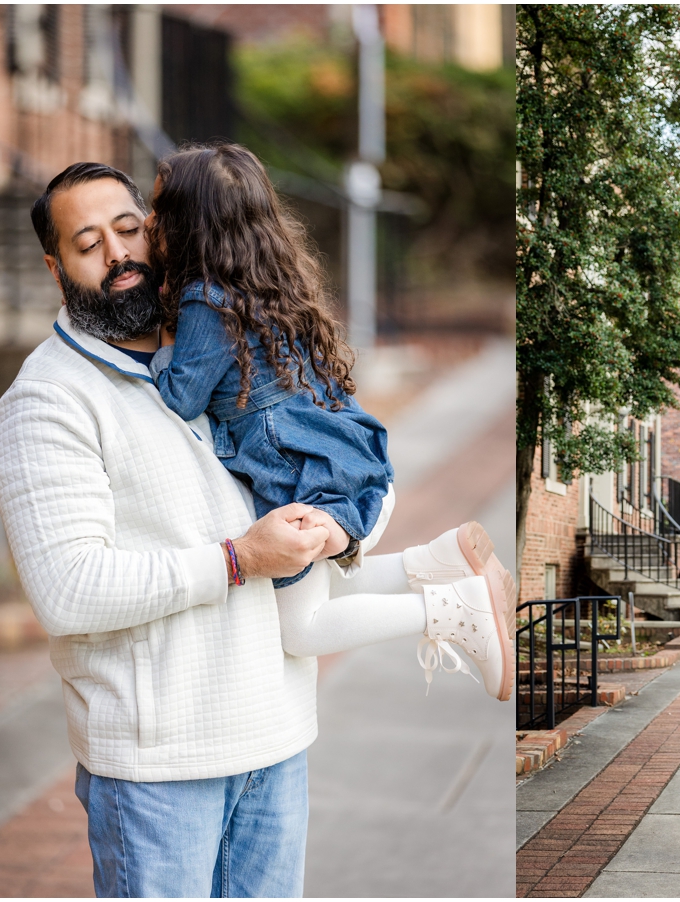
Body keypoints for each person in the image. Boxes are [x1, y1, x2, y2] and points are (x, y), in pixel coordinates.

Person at [0, 161, 511, 898]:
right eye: (87, 242)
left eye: (128, 229)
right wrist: (237, 559)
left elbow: (355, 471)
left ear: (158, 231)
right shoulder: (48, 403)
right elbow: (71, 592)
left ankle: (442, 579)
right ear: (55, 266)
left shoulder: (229, 335)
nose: (118, 254)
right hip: (160, 774)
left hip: (276, 742)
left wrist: (335, 532)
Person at [141, 143, 515, 696]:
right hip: (348, 465)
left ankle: (452, 609)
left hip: (303, 482)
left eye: (157, 210)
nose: (148, 222)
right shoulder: (267, 282)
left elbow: (180, 397)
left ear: (186, 223)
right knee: (324, 588)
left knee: (303, 629)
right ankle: (437, 560)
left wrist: (158, 339)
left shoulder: (205, 300)